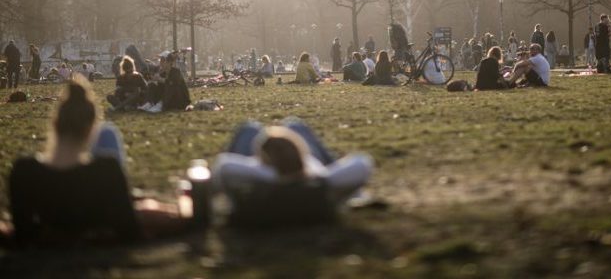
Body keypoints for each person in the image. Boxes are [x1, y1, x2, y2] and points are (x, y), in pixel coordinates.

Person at [8, 77, 188, 246]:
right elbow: (130, 231)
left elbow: (23, 233)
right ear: (90, 130)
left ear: (55, 124)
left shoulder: (24, 172)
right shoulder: (105, 170)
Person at [211, 119, 373, 223]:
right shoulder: (321, 182)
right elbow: (362, 164)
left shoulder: (257, 176)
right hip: (305, 168)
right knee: (294, 125)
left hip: (265, 173)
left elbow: (224, 167)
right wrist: (299, 173)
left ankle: (271, 152)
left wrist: (273, 171)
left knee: (249, 128)